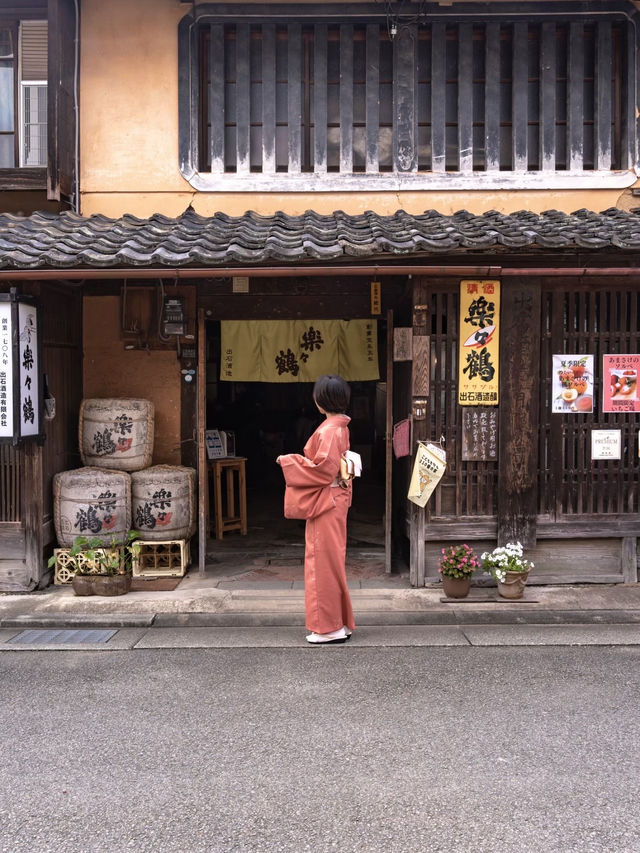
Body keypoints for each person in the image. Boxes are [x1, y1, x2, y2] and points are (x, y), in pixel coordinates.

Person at [276, 375, 355, 645]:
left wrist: (289, 461)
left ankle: (328, 628)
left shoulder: (329, 430)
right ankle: (339, 623)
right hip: (336, 497)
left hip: (327, 501)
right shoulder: (339, 427)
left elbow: (322, 470)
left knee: (321, 562)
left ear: (321, 401)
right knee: (332, 561)